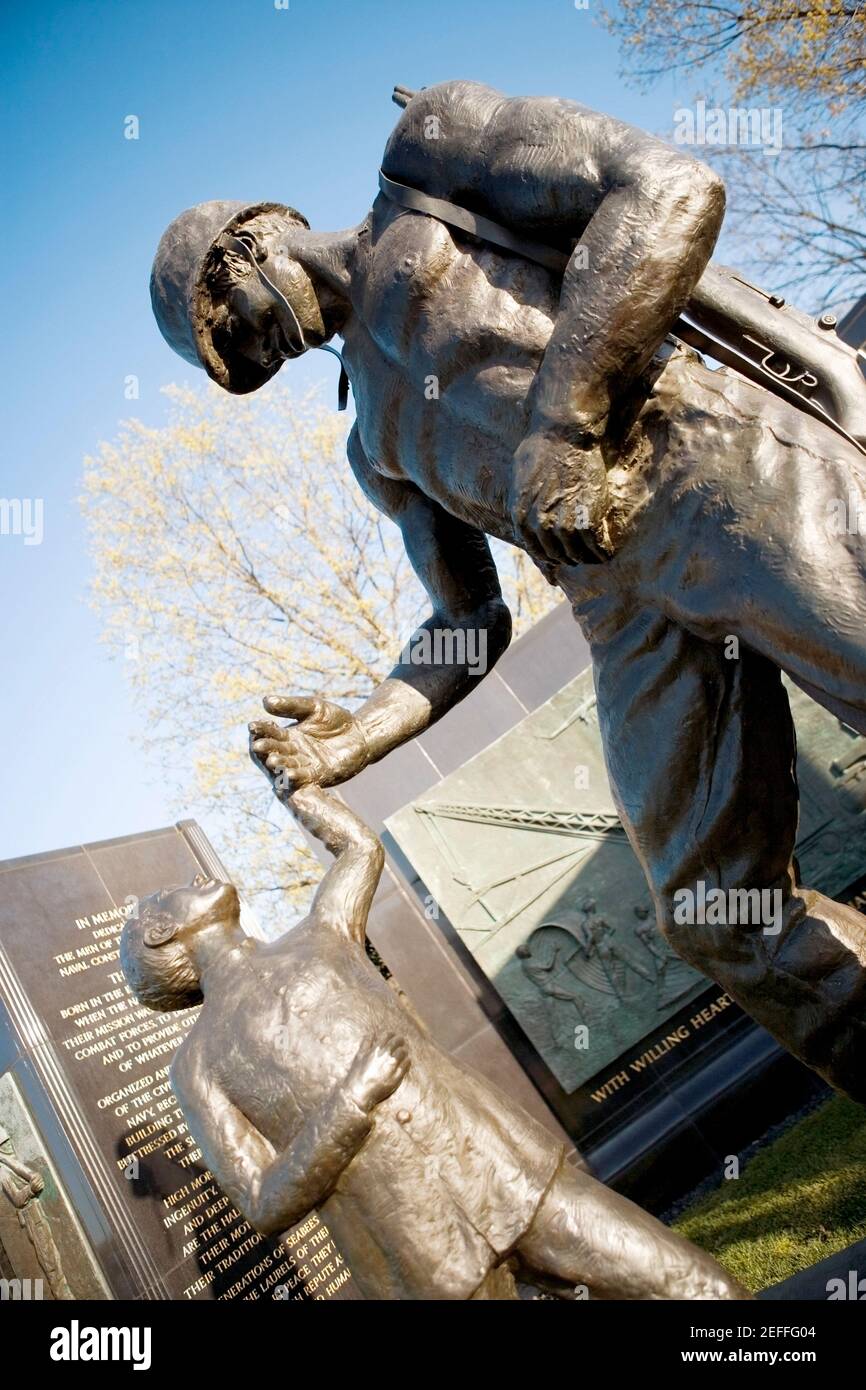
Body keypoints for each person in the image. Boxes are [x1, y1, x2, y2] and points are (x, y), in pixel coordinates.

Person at [150, 79, 866, 1101]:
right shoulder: (375, 446)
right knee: (716, 913)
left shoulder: (424, 163)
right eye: (245, 362)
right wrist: (348, 739)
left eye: (241, 331)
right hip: (620, 608)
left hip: (709, 471)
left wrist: (564, 419)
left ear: (248, 250)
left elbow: (665, 187)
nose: (268, 355)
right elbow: (466, 621)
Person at [119, 766, 746, 1301]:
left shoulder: (320, 936)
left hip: (505, 1169)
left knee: (697, 1288)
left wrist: (298, 791)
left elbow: (361, 852)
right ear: (159, 932)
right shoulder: (197, 1066)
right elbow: (261, 1200)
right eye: (174, 893)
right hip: (418, 1258)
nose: (196, 880)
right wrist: (350, 1105)